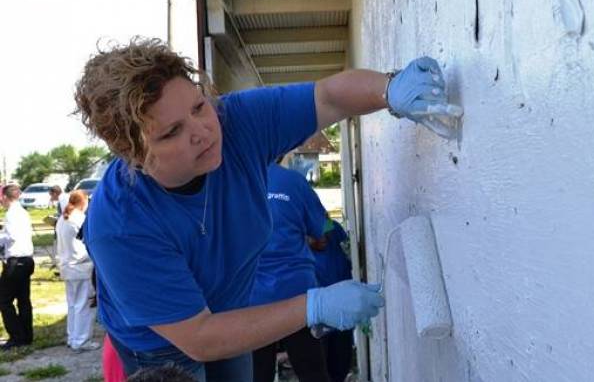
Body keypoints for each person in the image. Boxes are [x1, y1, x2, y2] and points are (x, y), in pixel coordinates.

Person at [73, 37, 459, 381]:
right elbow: (201, 338)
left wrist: (389, 89)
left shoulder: (237, 122)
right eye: (172, 131)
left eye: (198, 107)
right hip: (161, 348)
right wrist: (315, 304)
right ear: (133, 154)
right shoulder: (121, 222)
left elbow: (328, 97)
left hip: (233, 308)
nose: (202, 130)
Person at [250, 162, 330, 382]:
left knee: (256, 374)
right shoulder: (293, 181)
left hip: (250, 300)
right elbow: (322, 234)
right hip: (297, 294)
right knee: (313, 373)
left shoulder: (227, 183)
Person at [309, 219, 354, 382]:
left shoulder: (335, 229)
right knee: (319, 369)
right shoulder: (296, 242)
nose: (322, 237)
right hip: (317, 314)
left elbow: (353, 254)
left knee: (340, 365)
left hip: (343, 309)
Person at [55, 190, 99, 352]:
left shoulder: (63, 219)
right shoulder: (80, 218)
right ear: (83, 201)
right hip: (81, 266)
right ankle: (81, 340)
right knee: (84, 305)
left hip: (67, 266)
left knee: (73, 304)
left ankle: (72, 336)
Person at [0, 184, 35, 349]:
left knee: (4, 300)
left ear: (5, 197)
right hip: (27, 260)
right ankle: (27, 335)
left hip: (15, 261)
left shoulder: (11, 213)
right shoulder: (23, 212)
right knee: (23, 300)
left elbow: (11, 236)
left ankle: (16, 336)